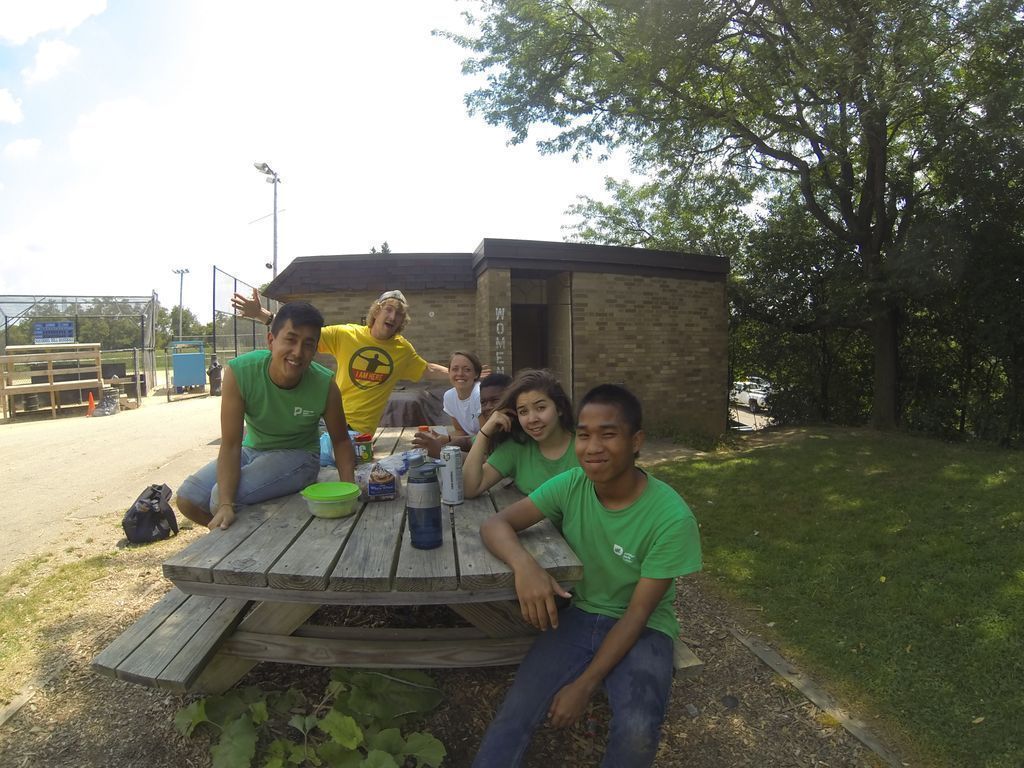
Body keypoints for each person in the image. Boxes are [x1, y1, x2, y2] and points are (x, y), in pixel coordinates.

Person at [472, 384, 702, 768]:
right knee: (515, 712)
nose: (592, 447)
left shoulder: (671, 517)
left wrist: (584, 685)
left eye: (608, 434)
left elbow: (638, 614)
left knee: (638, 730)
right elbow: (495, 525)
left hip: (643, 628)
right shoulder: (573, 484)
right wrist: (526, 567)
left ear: (636, 441)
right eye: (583, 435)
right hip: (578, 614)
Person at [176, 301, 356, 531]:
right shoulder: (240, 372)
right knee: (188, 498)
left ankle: (240, 548)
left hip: (299, 456)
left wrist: (350, 490)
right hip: (251, 450)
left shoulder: (325, 384)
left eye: (308, 344)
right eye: (290, 340)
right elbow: (230, 444)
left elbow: (340, 440)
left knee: (218, 498)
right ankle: (232, 543)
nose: (298, 352)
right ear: (271, 341)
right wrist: (224, 505)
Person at [231, 288, 450, 433]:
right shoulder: (346, 334)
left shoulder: (403, 350)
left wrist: (460, 373)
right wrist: (260, 314)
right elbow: (300, 332)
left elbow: (427, 369)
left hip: (359, 432)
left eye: (399, 314)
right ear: (377, 311)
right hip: (326, 419)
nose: (393, 317)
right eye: (389, 310)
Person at [462, 368, 579, 497]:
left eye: (541, 408)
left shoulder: (586, 443)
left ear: (560, 408)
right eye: (523, 411)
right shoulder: (517, 447)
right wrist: (484, 433)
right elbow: (469, 488)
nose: (532, 419)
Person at [414, 371, 512, 458]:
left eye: (495, 400)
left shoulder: (515, 435)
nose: (488, 407)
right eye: (483, 403)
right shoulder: (497, 430)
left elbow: (486, 465)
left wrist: (441, 452)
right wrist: (443, 444)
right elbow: (469, 441)